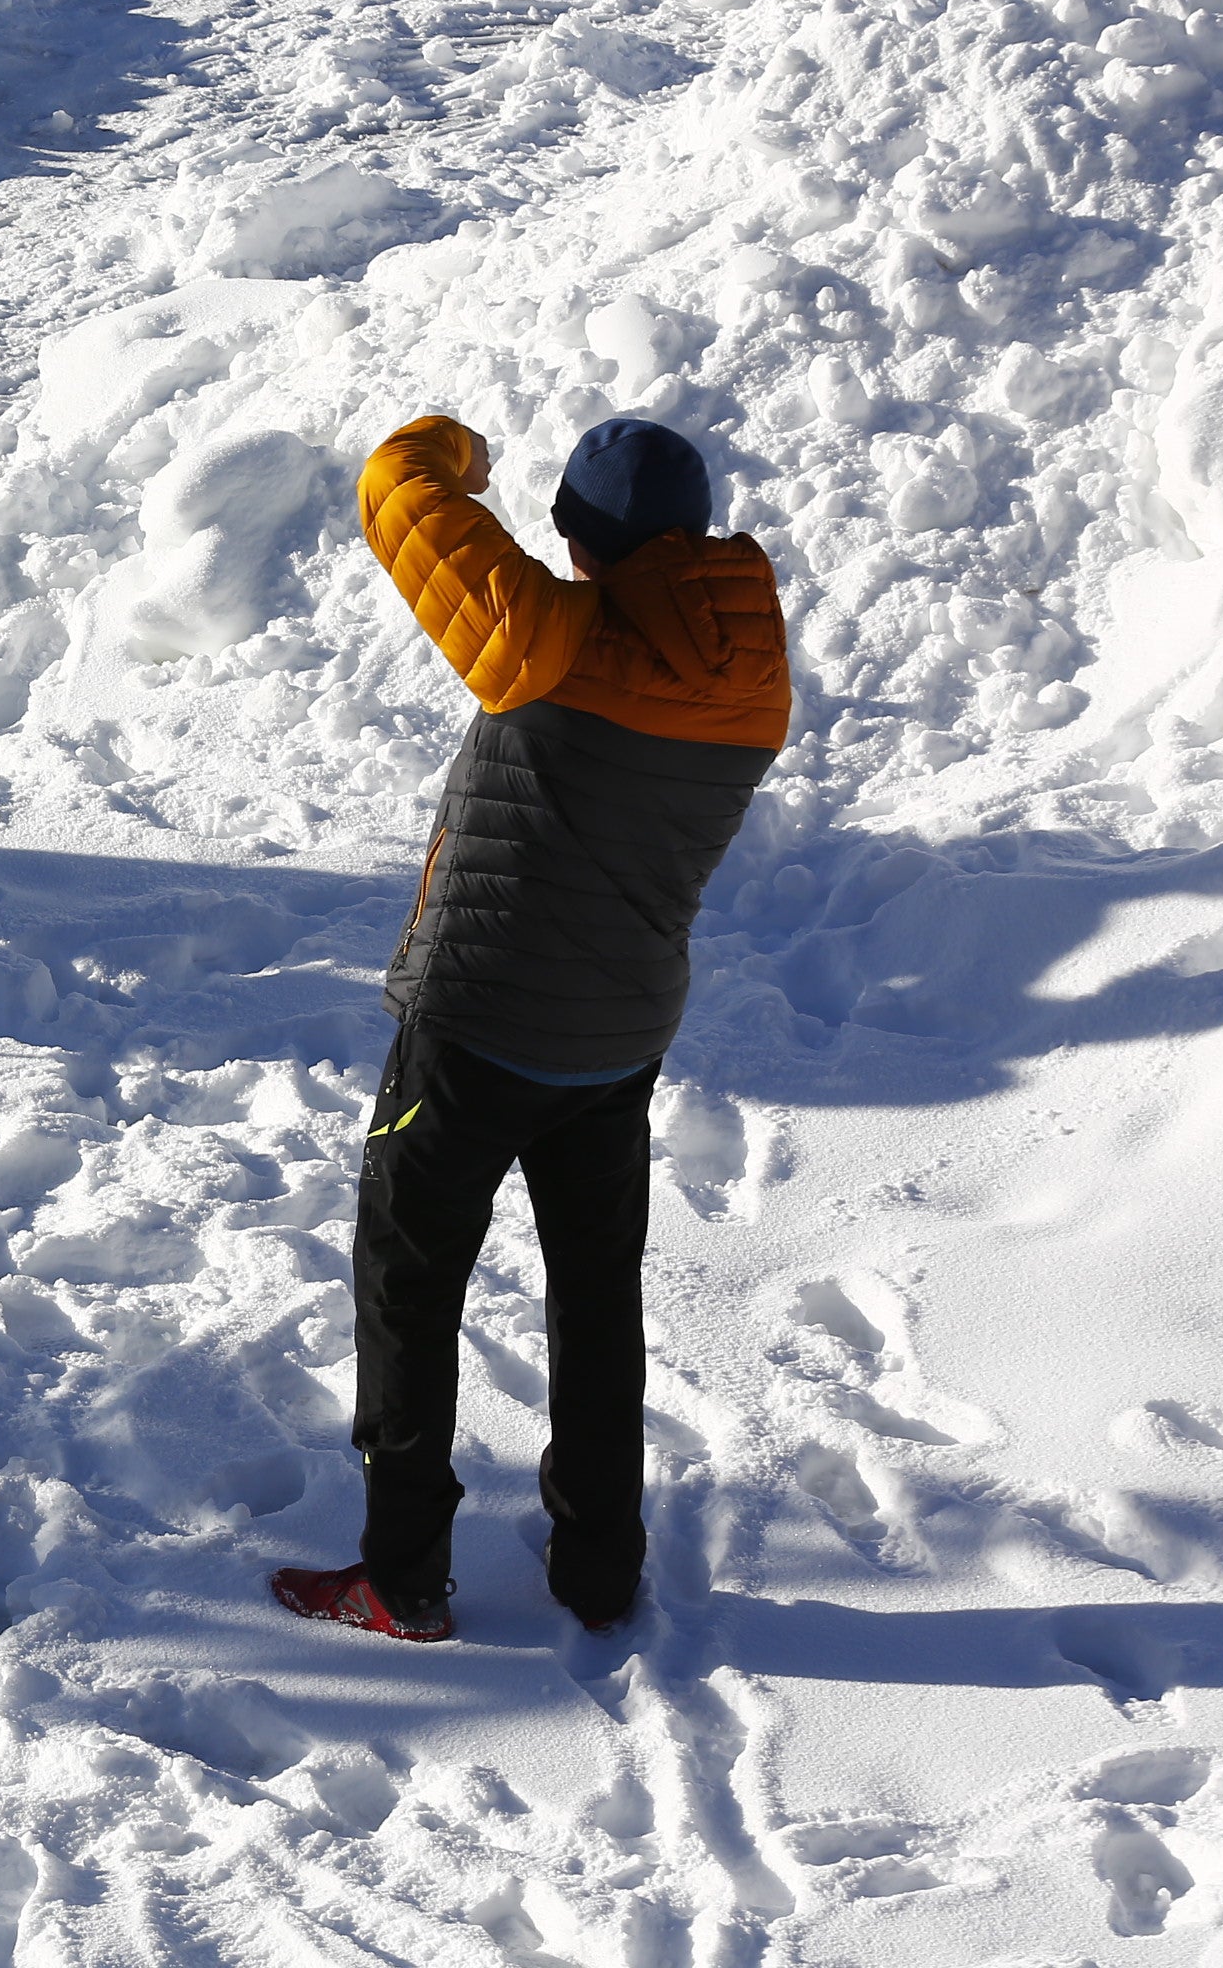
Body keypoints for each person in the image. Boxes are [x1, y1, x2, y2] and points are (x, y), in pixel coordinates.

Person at [277, 413, 790, 1642]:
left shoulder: (551, 645)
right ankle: (599, 1567)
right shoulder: (754, 673)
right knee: (596, 1297)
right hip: (618, 1038)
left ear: (582, 537)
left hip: (478, 1025)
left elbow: (403, 496)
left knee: (410, 1287)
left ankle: (401, 1577)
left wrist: (451, 445)